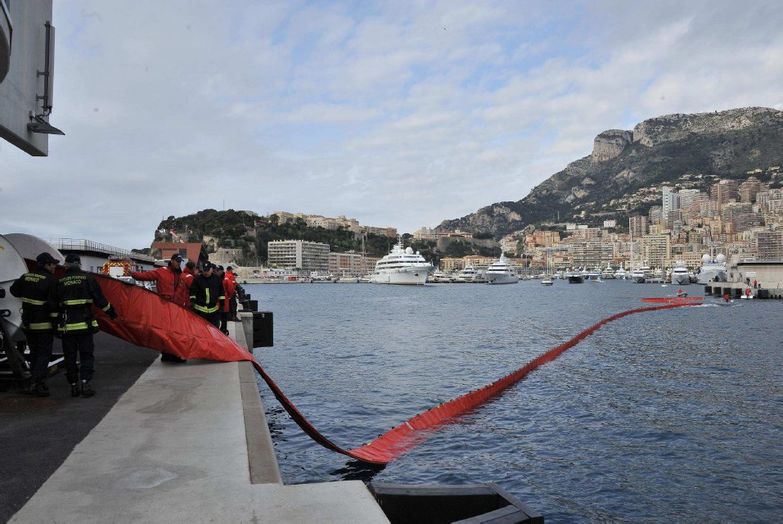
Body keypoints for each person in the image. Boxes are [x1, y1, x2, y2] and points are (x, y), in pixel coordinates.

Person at [56, 254, 117, 398]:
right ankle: (85, 383)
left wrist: (55, 325)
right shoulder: (88, 279)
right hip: (85, 325)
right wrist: (112, 313)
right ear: (79, 264)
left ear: (67, 265)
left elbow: (53, 305)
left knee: (70, 357)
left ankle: (73, 385)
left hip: (67, 327)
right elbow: (100, 300)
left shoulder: (60, 282)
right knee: (86, 355)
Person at [9, 252, 60, 396]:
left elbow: (14, 291)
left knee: (34, 352)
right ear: (46, 264)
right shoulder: (51, 280)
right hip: (44, 324)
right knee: (44, 354)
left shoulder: (26, 277)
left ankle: (34, 380)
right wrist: (56, 325)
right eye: (52, 264)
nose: (54, 267)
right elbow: (54, 306)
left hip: (27, 324)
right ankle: (38, 383)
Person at [189, 263, 224, 328]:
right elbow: (192, 291)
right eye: (204, 270)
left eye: (207, 270)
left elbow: (221, 292)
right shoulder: (197, 279)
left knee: (214, 330)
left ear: (211, 269)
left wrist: (222, 304)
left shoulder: (217, 279)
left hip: (213, 311)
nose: (206, 272)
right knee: (200, 329)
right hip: (200, 311)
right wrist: (192, 301)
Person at [221, 266, 237, 335]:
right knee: (233, 305)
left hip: (221, 298)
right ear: (230, 270)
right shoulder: (230, 276)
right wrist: (230, 295)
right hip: (228, 295)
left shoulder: (225, 276)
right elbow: (232, 286)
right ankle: (233, 317)